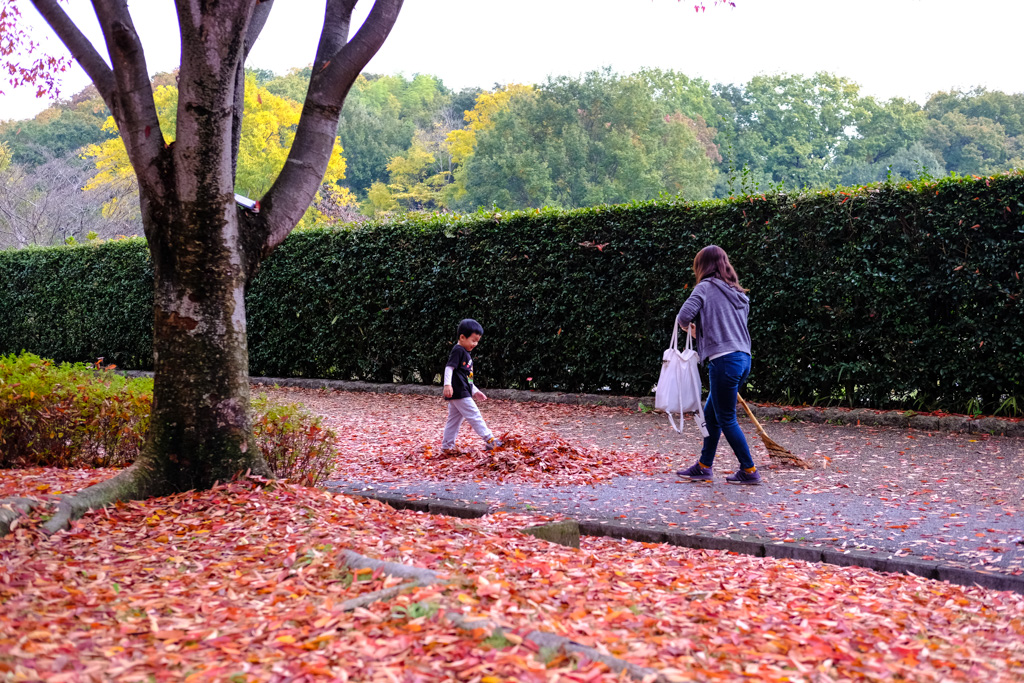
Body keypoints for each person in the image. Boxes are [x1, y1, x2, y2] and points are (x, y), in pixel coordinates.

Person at [674, 245, 761, 485]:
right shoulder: (738, 293)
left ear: (703, 266)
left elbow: (683, 316)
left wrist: (688, 328)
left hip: (723, 361)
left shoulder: (705, 288)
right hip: (743, 359)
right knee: (711, 415)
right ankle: (704, 466)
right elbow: (726, 327)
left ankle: (749, 470)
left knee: (726, 418)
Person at [441, 318, 502, 452]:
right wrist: (447, 385)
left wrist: (475, 390)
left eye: (477, 341)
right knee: (474, 414)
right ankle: (490, 439)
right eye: (473, 340)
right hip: (459, 391)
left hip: (462, 391)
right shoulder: (458, 350)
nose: (475, 344)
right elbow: (449, 368)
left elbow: (466, 377)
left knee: (454, 421)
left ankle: (447, 446)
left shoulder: (466, 353)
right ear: (462, 337)